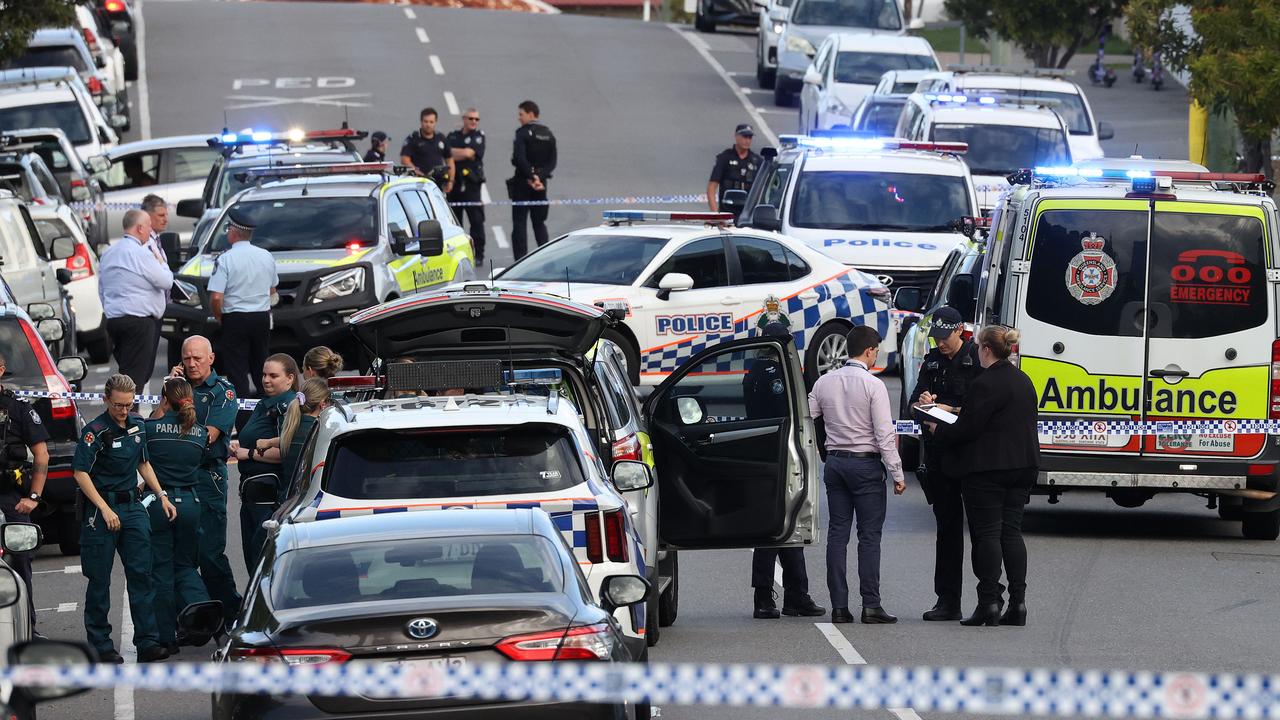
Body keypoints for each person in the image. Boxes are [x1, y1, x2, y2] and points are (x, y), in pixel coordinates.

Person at [930, 326, 1039, 627]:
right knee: (1012, 533)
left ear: (987, 349)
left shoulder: (984, 383)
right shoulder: (1023, 380)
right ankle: (1018, 603)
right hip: (1024, 466)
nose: (976, 351)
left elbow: (968, 427)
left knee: (988, 534)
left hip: (989, 468)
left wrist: (940, 430)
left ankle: (988, 602)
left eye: (978, 346)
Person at [72, 374, 176, 664]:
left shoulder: (138, 426)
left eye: (128, 405)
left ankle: (147, 641)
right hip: (101, 510)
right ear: (106, 400)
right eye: (118, 405)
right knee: (99, 580)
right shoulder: (95, 431)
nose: (123, 410)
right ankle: (101, 646)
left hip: (132, 508)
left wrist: (161, 495)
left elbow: (143, 462)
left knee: (142, 574)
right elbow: (80, 472)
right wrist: (104, 508)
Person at [808, 325, 906, 625]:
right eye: (876, 350)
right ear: (868, 351)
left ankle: (839, 606)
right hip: (865, 466)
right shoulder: (873, 385)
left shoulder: (825, 382)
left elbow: (806, 415)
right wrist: (897, 473)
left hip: (836, 464)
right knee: (869, 537)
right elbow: (884, 433)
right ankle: (871, 605)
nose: (876, 354)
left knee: (837, 535)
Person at [743, 322, 824, 620]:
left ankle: (794, 594)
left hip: (770, 452)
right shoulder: (775, 374)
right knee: (775, 527)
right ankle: (769, 595)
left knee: (790, 526)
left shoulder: (755, 370)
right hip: (780, 455)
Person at [906, 307, 982, 622]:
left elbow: (984, 408)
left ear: (960, 331)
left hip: (971, 455)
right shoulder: (932, 361)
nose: (941, 343)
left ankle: (988, 600)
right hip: (940, 456)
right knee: (947, 531)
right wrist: (924, 404)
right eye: (936, 338)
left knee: (982, 532)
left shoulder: (978, 359)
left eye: (945, 337)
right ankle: (947, 601)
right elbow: (912, 406)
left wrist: (951, 408)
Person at [169, 335, 240, 626]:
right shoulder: (176, 388)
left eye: (198, 358)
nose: (192, 363)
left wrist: (174, 438)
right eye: (187, 358)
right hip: (176, 477)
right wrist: (169, 392)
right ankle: (195, 618)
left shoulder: (223, 391)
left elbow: (208, 436)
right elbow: (156, 423)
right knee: (180, 554)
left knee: (210, 553)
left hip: (206, 475)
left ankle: (233, 615)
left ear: (211, 358)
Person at [144, 377, 211, 655]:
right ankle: (204, 614)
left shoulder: (150, 429)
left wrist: (158, 412)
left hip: (161, 503)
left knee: (160, 569)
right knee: (184, 565)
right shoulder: (200, 433)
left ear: (163, 400)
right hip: (191, 503)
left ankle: (166, 636)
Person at [230, 354, 300, 569]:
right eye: (264, 375)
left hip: (268, 497)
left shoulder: (288, 407)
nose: (266, 380)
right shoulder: (266, 403)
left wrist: (248, 453)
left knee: (262, 562)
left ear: (290, 379)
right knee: (252, 558)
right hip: (251, 492)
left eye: (273, 376)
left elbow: (286, 451)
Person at [98, 209, 172, 393]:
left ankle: (128, 416)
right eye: (148, 227)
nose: (150, 231)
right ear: (139, 228)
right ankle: (130, 419)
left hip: (115, 320)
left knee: (128, 373)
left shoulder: (109, 253)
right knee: (136, 380)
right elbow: (166, 281)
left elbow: (102, 288)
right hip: (139, 322)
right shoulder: (141, 253)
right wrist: (161, 262)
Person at [208, 206, 277, 399]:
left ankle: (242, 416)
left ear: (234, 232)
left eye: (228, 229)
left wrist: (219, 316)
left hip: (235, 318)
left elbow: (216, 297)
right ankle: (268, 408)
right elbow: (273, 290)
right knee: (261, 365)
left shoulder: (225, 259)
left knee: (236, 369)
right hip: (261, 317)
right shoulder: (266, 256)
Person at [0, 352, 50, 623]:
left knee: (20, 563)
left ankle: (27, 626)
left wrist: (33, 496)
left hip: (12, 499)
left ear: (1, 370)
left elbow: (41, 454)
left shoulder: (18, 409)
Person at [508, 100, 557, 260]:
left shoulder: (522, 133)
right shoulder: (548, 134)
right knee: (539, 223)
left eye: (521, 114)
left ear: (530, 114)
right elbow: (552, 161)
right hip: (541, 186)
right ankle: (547, 259)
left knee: (519, 223)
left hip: (523, 183)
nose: (518, 118)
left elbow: (520, 159)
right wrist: (540, 178)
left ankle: (520, 261)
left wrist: (530, 176)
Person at [447, 108, 487, 265]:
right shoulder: (453, 136)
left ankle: (478, 254)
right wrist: (457, 153)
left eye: (477, 119)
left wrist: (453, 153)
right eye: (470, 118)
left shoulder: (478, 137)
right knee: (455, 223)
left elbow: (470, 154)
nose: (474, 122)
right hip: (454, 184)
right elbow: (446, 153)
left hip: (472, 186)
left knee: (476, 221)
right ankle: (459, 254)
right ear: (463, 119)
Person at [279, 378, 330, 496]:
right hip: (309, 499)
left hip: (286, 499)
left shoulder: (289, 428)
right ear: (323, 404)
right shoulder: (320, 432)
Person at [707, 124, 762, 220]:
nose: (747, 140)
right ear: (736, 136)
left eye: (750, 137)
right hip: (726, 215)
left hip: (748, 216)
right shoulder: (725, 158)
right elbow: (712, 187)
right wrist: (716, 215)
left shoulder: (757, 161)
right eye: (745, 137)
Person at [400, 108, 454, 191]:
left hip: (438, 182)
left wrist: (450, 180)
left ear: (435, 122)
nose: (428, 125)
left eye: (431, 122)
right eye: (426, 121)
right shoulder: (413, 138)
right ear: (421, 121)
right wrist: (418, 173)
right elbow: (405, 159)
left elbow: (449, 160)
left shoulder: (441, 138)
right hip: (418, 182)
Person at [141, 194, 170, 266]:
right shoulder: (145, 242)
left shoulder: (155, 240)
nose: (166, 220)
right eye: (161, 215)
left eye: (166, 215)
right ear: (147, 216)